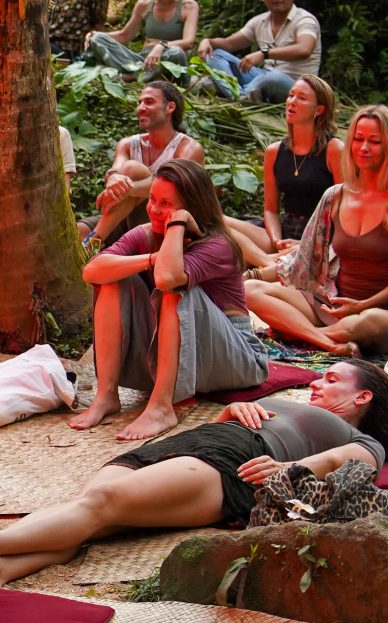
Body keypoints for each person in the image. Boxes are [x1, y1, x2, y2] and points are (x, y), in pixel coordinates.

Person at [0, 359, 388, 587]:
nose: (318, 383)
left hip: (234, 462)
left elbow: (349, 466)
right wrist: (231, 411)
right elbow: (219, 420)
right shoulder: (294, 405)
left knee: (96, 508)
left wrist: (291, 466)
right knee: (90, 517)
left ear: (362, 397)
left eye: (333, 379)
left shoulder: (359, 439)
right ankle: (3, 569)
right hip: (194, 442)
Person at [71, 159, 268, 441]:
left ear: (192, 208)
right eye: (152, 199)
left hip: (240, 357)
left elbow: (166, 278)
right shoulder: (147, 233)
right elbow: (92, 271)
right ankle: (106, 395)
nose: (154, 209)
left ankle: (162, 407)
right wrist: (151, 257)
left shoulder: (218, 245)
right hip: (177, 349)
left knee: (174, 288)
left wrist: (177, 224)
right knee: (112, 278)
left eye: (167, 204)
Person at [246, 105, 388, 356]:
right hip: (331, 303)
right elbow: (302, 258)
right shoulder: (335, 195)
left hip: (380, 312)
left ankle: (299, 332)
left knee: (370, 323)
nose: (364, 148)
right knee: (251, 292)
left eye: (374, 142)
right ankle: (329, 343)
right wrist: (253, 276)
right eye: (358, 139)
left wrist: (361, 306)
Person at [224, 75, 345, 270]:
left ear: (319, 110)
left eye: (302, 98)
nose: (292, 102)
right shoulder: (274, 151)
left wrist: (310, 243)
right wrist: (276, 239)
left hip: (316, 236)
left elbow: (343, 213)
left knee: (238, 259)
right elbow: (271, 209)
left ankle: (267, 264)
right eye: (291, 95)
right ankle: (270, 261)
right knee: (217, 221)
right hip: (282, 231)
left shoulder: (334, 149)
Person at [79, 81, 205, 248]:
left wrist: (127, 189)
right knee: (79, 229)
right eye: (139, 103)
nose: (140, 108)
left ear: (170, 107)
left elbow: (169, 188)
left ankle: (93, 243)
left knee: (133, 169)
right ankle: (92, 242)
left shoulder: (188, 148)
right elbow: (116, 169)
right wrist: (113, 178)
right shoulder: (128, 144)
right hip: (126, 217)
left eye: (149, 102)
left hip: (168, 221)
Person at [196, 0, 321, 103]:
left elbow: (304, 49)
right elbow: (229, 44)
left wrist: (264, 53)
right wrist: (207, 41)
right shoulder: (259, 21)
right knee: (216, 55)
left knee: (273, 77)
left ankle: (243, 95)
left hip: (297, 86)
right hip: (262, 78)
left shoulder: (305, 19)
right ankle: (240, 96)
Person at [77, 0, 200, 78]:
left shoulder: (189, 6)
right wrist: (95, 35)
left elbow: (188, 42)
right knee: (99, 39)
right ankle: (137, 75)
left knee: (176, 53)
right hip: (143, 61)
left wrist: (161, 46)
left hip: (171, 63)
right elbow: (124, 36)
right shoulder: (144, 4)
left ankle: (131, 76)